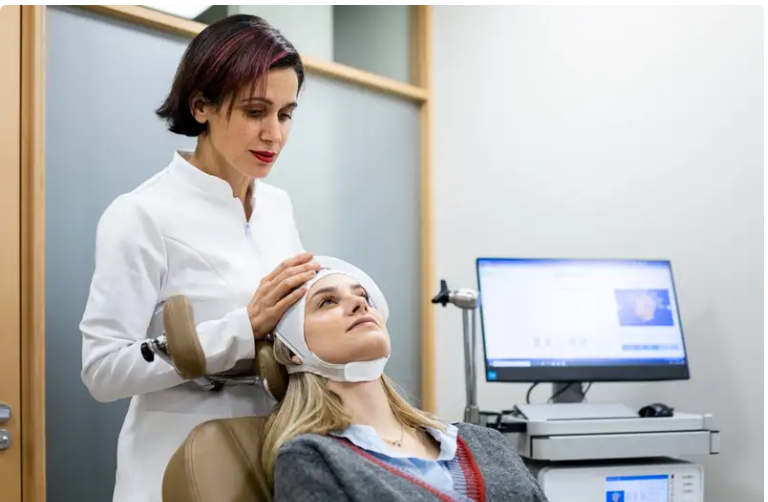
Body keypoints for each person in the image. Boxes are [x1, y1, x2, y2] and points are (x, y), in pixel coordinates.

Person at [79, 14, 319, 502]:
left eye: (286, 113)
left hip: (270, 459)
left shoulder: (278, 207)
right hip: (174, 469)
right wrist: (240, 327)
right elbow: (101, 371)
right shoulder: (141, 214)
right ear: (201, 106)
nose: (274, 134)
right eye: (256, 111)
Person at [262, 257, 549, 502]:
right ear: (292, 352)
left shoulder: (485, 441)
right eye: (327, 302)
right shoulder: (312, 458)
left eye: (362, 296)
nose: (358, 304)